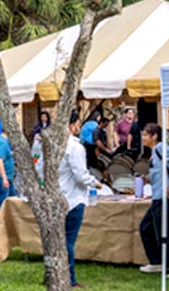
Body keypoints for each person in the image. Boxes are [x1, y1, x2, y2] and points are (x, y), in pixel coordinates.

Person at [137, 123, 169, 280]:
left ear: (154, 136)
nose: (143, 138)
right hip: (157, 197)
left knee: (165, 234)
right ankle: (156, 261)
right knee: (146, 227)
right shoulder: (154, 152)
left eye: (146, 135)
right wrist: (148, 179)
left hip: (165, 197)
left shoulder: (160, 148)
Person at [59, 112, 101, 289]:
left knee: (57, 239)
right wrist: (94, 182)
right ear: (73, 126)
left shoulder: (52, 144)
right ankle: (70, 278)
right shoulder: (75, 147)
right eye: (77, 124)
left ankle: (54, 274)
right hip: (73, 197)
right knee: (68, 240)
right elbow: (80, 174)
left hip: (57, 195)